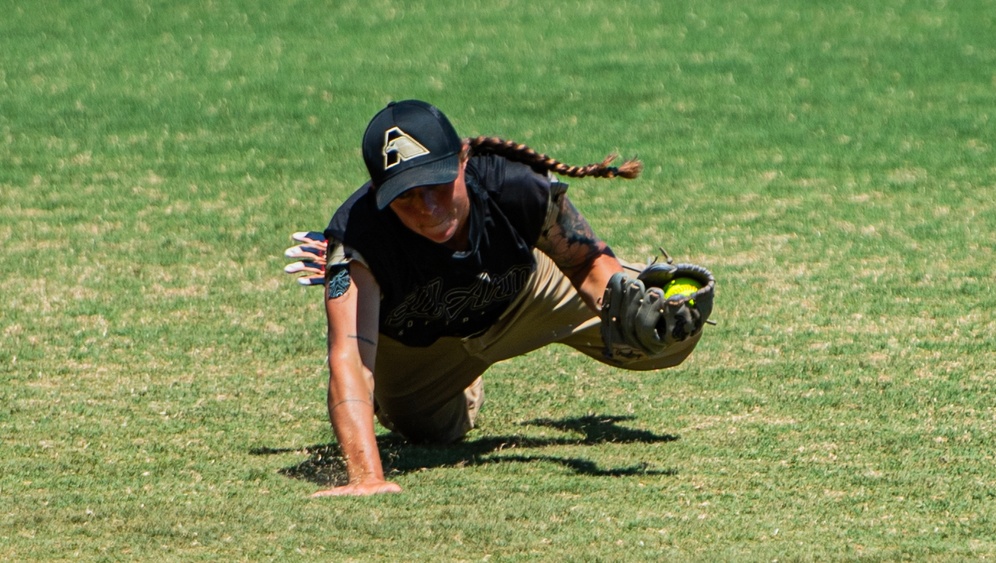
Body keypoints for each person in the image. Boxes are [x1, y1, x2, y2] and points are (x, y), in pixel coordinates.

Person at [283, 100, 714, 497]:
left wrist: (628, 307)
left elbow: (586, 265)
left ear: (461, 161)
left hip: (527, 299)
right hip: (424, 347)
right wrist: (365, 478)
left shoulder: (513, 186)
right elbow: (350, 359)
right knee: (430, 431)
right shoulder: (356, 238)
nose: (428, 208)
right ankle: (464, 382)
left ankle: (650, 301)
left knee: (664, 332)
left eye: (436, 184)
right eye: (406, 197)